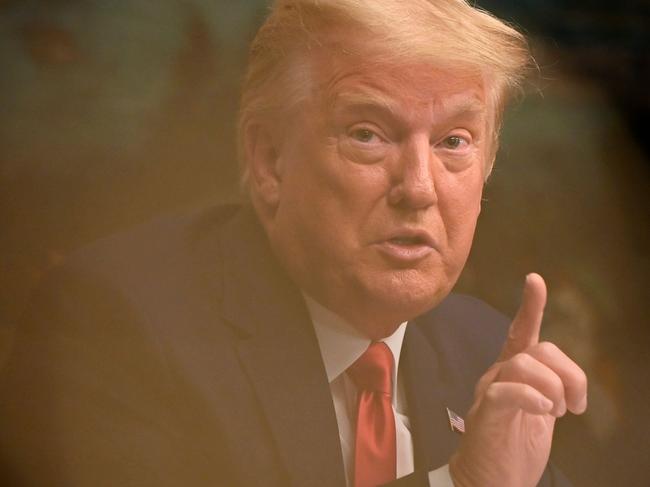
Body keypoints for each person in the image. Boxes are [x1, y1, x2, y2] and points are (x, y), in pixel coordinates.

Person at [0, 1, 587, 486]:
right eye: (367, 134)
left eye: (454, 141)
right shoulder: (118, 324)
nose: (418, 188)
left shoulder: (486, 352)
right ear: (270, 161)